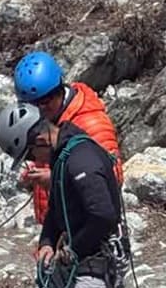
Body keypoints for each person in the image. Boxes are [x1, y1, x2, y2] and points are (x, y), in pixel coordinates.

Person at [0, 103, 124, 288]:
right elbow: (57, 209)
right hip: (75, 257)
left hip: (97, 259)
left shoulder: (81, 159)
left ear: (41, 138)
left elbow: (103, 215)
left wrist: (73, 249)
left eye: (30, 155)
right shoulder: (62, 157)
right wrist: (47, 242)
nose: (33, 162)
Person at [12, 51, 123, 224]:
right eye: (31, 106)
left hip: (86, 228)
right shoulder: (50, 120)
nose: (39, 111)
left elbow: (112, 176)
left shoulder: (92, 123)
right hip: (60, 225)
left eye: (44, 103)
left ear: (58, 91)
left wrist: (56, 179)